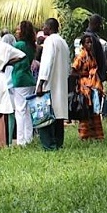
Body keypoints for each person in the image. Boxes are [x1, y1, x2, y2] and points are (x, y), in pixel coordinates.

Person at [35, 18, 70, 150]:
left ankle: (49, 145)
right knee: (58, 115)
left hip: (49, 83)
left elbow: (47, 63)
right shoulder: (63, 42)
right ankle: (58, 143)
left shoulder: (49, 41)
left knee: (46, 115)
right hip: (60, 83)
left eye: (44, 26)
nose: (43, 29)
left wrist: (41, 83)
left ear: (49, 28)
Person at [71, 34, 105, 140]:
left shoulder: (91, 55)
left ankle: (96, 135)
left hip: (93, 86)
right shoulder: (81, 56)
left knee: (94, 110)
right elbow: (73, 72)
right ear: (83, 44)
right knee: (85, 110)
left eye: (91, 42)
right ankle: (84, 135)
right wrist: (85, 75)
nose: (89, 44)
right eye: (87, 42)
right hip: (84, 87)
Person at [10, 21, 36, 146]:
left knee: (19, 111)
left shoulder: (18, 45)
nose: (16, 30)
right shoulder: (31, 45)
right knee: (27, 111)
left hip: (19, 79)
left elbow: (10, 59)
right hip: (29, 79)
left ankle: (20, 140)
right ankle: (28, 138)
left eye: (19, 28)